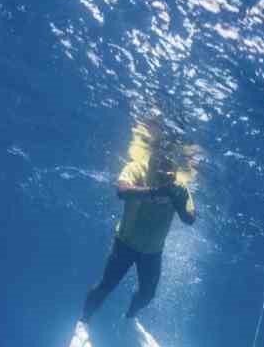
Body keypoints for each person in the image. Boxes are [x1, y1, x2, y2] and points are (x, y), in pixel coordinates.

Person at [83, 128, 195, 324]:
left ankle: (129, 318)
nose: (165, 166)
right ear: (154, 153)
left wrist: (178, 202)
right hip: (125, 243)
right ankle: (85, 319)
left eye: (170, 160)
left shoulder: (179, 185)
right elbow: (122, 191)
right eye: (161, 156)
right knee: (106, 285)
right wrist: (155, 192)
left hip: (153, 251)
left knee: (147, 294)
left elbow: (190, 219)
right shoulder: (136, 168)